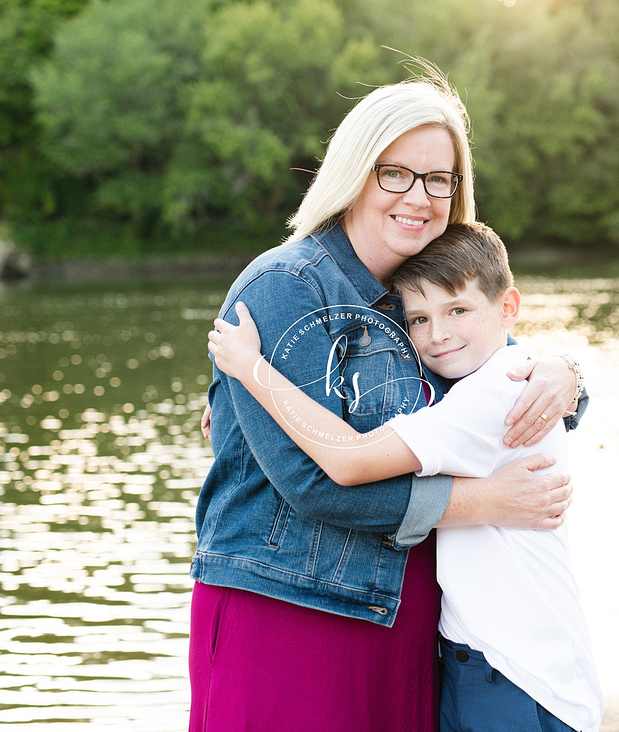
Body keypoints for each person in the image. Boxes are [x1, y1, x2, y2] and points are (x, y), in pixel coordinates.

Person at [189, 67, 586, 731]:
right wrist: (480, 503)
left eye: (439, 179)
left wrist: (564, 374)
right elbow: (313, 483)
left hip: (405, 612)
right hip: (291, 606)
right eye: (394, 173)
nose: (419, 196)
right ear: (354, 172)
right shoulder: (287, 288)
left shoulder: (423, 292)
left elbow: (494, 391)